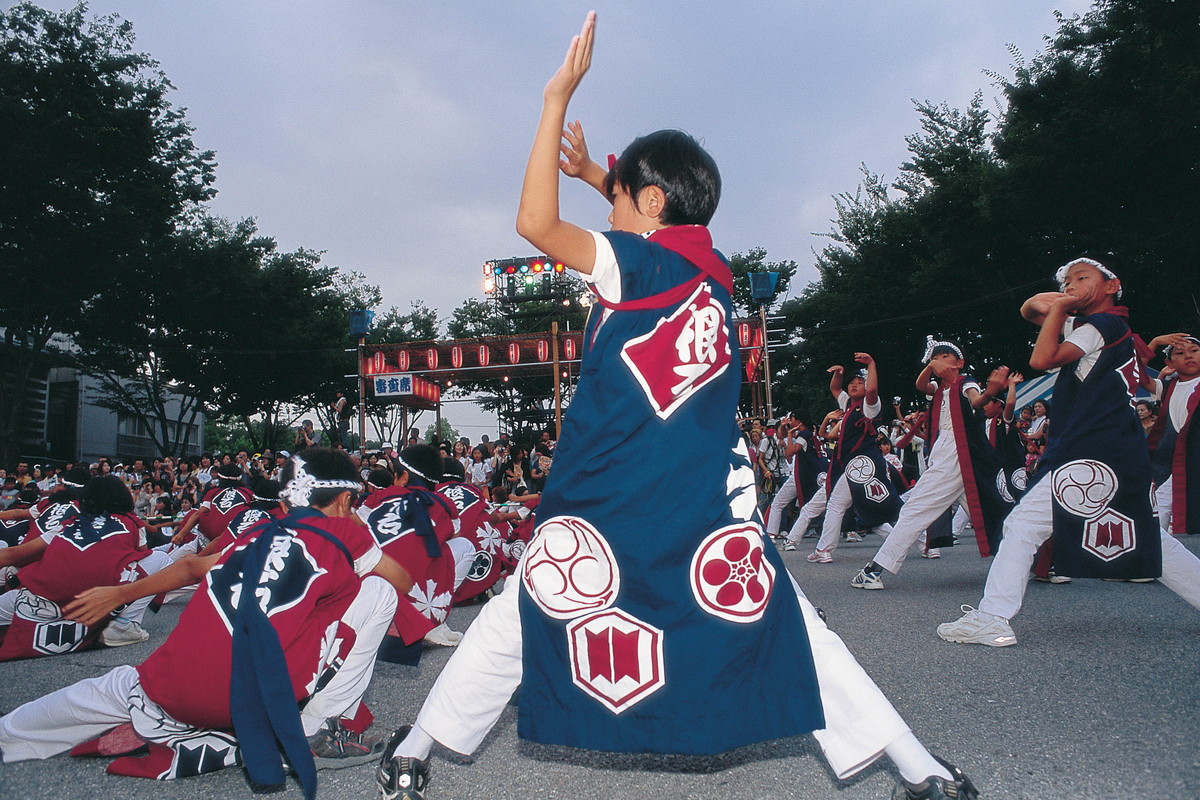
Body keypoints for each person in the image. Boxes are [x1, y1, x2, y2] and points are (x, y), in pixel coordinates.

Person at [375, 14, 975, 800]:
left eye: (617, 198)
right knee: (793, 631)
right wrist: (600, 170)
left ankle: (415, 753)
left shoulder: (633, 262)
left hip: (616, 493)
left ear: (648, 205)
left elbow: (534, 224)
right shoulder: (712, 270)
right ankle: (922, 770)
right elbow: (658, 215)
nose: (608, 211)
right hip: (701, 496)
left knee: (523, 613)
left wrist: (554, 98)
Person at [0, 449, 412, 795]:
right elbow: (402, 579)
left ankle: (10, 732)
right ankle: (313, 730)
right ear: (343, 501)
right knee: (379, 593)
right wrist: (357, 527)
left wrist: (120, 594)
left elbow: (192, 567)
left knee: (107, 690)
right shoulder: (347, 535)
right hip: (248, 702)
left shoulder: (256, 536)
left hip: (168, 688)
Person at [938, 257, 1200, 647]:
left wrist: (1061, 304)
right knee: (1148, 536)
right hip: (1116, 449)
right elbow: (1030, 308)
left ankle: (993, 617)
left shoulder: (1102, 325)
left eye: (1083, 277)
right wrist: (1065, 301)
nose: (1073, 284)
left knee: (1022, 526)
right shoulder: (1111, 329)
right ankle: (992, 615)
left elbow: (1041, 359)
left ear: (1112, 286)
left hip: (1090, 449)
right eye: (1067, 280)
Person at [848, 338, 1016, 590]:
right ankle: (1035, 561)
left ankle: (875, 569)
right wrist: (931, 366)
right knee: (994, 511)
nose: (939, 361)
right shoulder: (939, 388)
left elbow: (976, 401)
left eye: (945, 357)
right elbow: (920, 383)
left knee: (914, 510)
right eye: (935, 358)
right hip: (954, 456)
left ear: (960, 363)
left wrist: (991, 392)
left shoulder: (965, 382)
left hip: (956, 454)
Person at [1146, 334, 1200, 535]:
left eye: (1194, 351)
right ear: (1169, 362)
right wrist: (1154, 343)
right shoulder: (1169, 386)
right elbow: (1134, 374)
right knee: (1157, 511)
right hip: (1173, 464)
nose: (1188, 356)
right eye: (1180, 353)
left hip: (1193, 461)